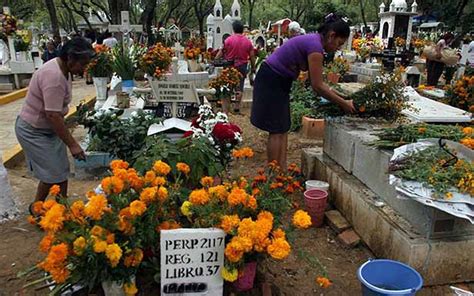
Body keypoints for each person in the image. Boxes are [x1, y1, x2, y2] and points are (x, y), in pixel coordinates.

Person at [251, 13, 355, 169]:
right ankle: (273, 175)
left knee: (283, 127)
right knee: (276, 130)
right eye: (339, 43)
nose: (338, 48)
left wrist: (341, 97)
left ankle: (282, 171)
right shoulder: (315, 48)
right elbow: (317, 86)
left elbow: (319, 83)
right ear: (332, 36)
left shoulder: (314, 41)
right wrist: (343, 104)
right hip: (271, 79)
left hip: (279, 80)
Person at [15, 37, 94, 212]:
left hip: (48, 129)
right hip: (34, 130)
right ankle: (37, 209)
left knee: (61, 170)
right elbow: (52, 115)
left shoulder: (62, 68)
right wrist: (73, 145)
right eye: (83, 63)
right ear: (70, 58)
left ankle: (61, 208)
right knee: (52, 174)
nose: (84, 68)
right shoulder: (54, 76)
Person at [216, 20, 256, 114]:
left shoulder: (228, 40)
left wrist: (215, 59)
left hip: (229, 66)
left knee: (228, 86)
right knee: (240, 86)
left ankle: (227, 108)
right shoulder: (247, 41)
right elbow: (252, 56)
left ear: (233, 29)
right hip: (242, 66)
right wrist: (253, 67)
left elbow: (221, 52)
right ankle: (237, 107)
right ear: (242, 30)